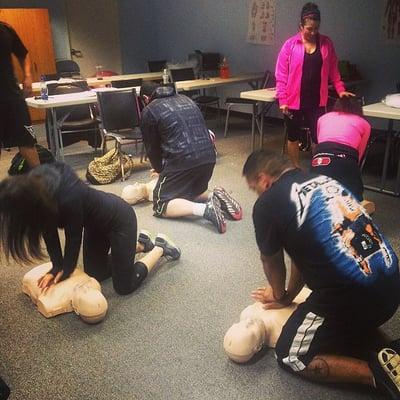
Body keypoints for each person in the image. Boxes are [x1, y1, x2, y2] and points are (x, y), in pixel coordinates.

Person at [242, 149, 400, 399]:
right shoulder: (326, 181)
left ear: (263, 179)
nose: (257, 193)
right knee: (348, 313)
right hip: (392, 288)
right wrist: (289, 296)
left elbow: (271, 262)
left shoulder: (267, 203)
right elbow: (299, 254)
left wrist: (278, 293)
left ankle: (377, 374)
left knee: (290, 354)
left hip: (354, 296)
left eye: (254, 188)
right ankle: (390, 352)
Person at [0, 162, 181, 295]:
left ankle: (160, 248)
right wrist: (56, 267)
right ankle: (141, 244)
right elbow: (48, 229)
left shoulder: (67, 197)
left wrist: (66, 269)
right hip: (96, 225)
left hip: (120, 220)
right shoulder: (37, 189)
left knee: (124, 286)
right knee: (96, 274)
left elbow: (73, 238)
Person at [139, 81, 242, 234]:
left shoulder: (150, 110)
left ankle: (205, 209)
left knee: (161, 204)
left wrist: (161, 170)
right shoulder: (186, 99)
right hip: (209, 157)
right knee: (185, 192)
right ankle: (215, 196)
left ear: (146, 98)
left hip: (183, 161)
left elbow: (152, 149)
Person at [275, 2, 354, 169]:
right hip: (293, 100)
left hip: (317, 101)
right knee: (293, 136)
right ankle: (295, 168)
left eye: (316, 28)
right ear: (301, 26)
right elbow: (281, 74)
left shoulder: (326, 43)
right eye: (309, 29)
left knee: (318, 137)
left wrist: (341, 90)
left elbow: (333, 69)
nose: (312, 32)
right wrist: (282, 100)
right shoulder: (290, 45)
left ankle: (317, 168)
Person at [311, 96, 371, 201]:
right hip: (346, 159)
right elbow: (359, 154)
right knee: (354, 196)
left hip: (319, 159)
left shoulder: (323, 118)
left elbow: (319, 142)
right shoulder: (364, 124)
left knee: (316, 193)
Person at [0, 21, 39, 167]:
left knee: (27, 141)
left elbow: (23, 53)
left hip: (12, 96)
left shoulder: (6, 30)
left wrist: (27, 75)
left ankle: (40, 186)